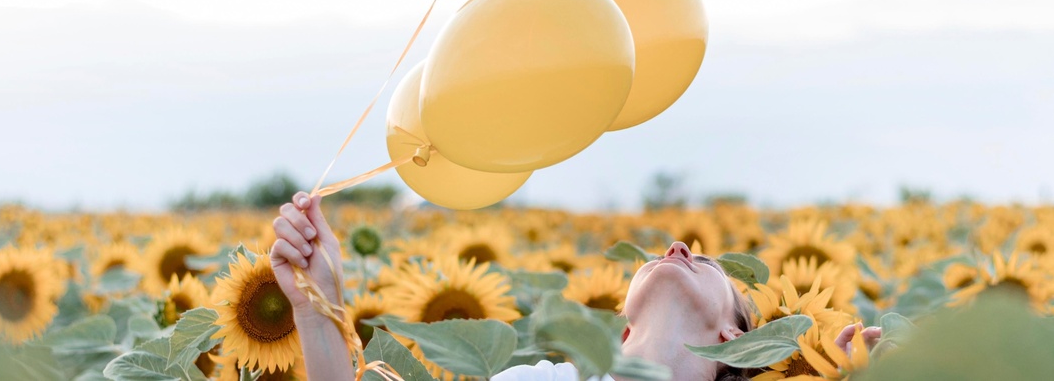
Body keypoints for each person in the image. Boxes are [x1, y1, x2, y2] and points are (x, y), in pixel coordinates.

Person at [269, 193, 878, 381]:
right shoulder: (545, 380)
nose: (678, 247)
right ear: (621, 328)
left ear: (735, 337)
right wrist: (315, 305)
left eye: (708, 263)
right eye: (663, 254)